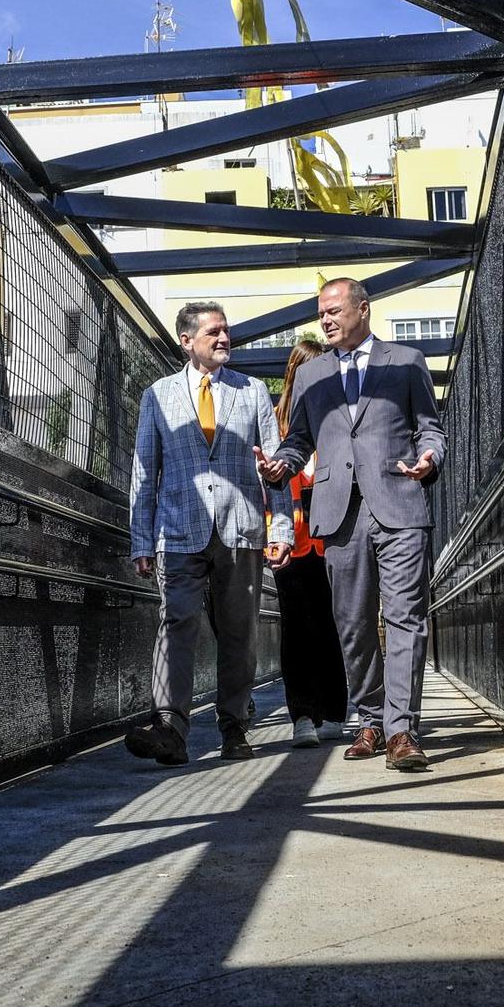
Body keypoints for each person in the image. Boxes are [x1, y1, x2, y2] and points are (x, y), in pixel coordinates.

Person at [259, 279, 445, 772]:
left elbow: (430, 427)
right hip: (338, 511)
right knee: (354, 621)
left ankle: (402, 729)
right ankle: (369, 718)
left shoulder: (405, 362)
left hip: (399, 502)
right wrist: (281, 464)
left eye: (335, 310)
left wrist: (430, 457)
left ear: (363, 310)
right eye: (321, 313)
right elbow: (298, 439)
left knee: (405, 615)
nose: (326, 320)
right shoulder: (312, 373)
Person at [126, 302, 292, 766]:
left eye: (227, 332)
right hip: (177, 531)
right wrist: (141, 539)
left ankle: (234, 728)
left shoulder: (253, 391)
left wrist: (280, 527)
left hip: (240, 531)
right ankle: (170, 730)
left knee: (239, 632)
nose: (224, 340)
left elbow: (273, 468)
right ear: (186, 340)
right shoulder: (156, 395)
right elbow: (144, 472)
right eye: (214, 333)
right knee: (175, 623)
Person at [269, 338, 349, 747]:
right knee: (297, 627)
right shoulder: (278, 424)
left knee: (335, 624)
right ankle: (302, 714)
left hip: (334, 538)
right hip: (294, 541)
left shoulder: (340, 418)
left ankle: (335, 710)